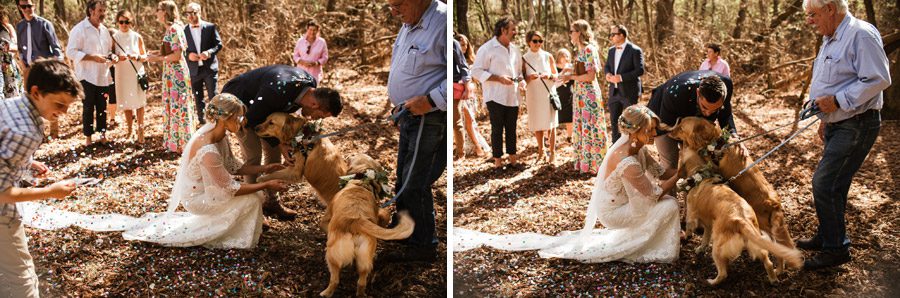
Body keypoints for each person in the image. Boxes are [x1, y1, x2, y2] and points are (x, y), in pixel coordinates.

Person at [18, 94, 290, 250]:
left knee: (253, 197)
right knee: (253, 199)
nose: (242, 121)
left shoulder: (218, 135)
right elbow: (230, 187)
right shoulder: (207, 145)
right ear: (225, 118)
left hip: (212, 189)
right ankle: (224, 236)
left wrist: (265, 168)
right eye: (239, 117)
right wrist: (265, 185)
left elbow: (234, 168)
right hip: (199, 199)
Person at [455, 105, 681, 264]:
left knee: (668, 202)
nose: (654, 133)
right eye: (650, 129)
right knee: (669, 204)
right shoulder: (626, 160)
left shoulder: (638, 148)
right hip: (613, 211)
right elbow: (654, 193)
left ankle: (651, 242)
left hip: (624, 201)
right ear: (637, 132)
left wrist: (688, 166)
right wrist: (681, 175)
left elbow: (661, 173)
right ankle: (654, 251)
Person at [797, 0, 890, 270]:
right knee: (835, 184)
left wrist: (837, 101)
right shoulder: (830, 38)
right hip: (838, 123)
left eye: (813, 14)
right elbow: (833, 78)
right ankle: (829, 235)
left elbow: (878, 79)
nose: (809, 20)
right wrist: (826, 118)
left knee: (824, 183)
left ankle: (836, 249)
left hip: (858, 123)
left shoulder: (861, 34)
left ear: (830, 9)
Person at [0, 59, 81, 298]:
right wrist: (51, 192)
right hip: (3, 217)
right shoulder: (26, 132)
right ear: (36, 92)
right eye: (59, 104)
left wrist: (26, 163)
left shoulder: (10, 105)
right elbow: (2, 193)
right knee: (22, 279)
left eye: (68, 106)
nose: (64, 113)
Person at [221, 64, 343, 221]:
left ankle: (271, 201)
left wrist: (284, 144)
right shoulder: (276, 91)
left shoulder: (310, 85)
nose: (315, 119)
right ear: (314, 104)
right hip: (240, 106)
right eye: (319, 115)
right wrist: (280, 143)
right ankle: (252, 210)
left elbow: (278, 111)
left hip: (263, 107)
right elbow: (253, 118)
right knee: (254, 155)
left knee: (274, 154)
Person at [382, 0, 446, 263]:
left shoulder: (443, 22)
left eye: (397, 5)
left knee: (415, 184)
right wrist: (398, 105)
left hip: (429, 119)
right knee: (402, 179)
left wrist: (430, 101)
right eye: (389, 6)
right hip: (407, 116)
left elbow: (459, 80)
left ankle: (423, 247)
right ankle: (405, 232)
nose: (393, 12)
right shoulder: (408, 21)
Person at [648, 70, 734, 171]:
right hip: (665, 121)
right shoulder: (675, 93)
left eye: (715, 109)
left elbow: (725, 114)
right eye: (705, 107)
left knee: (696, 161)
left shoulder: (726, 84)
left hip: (691, 124)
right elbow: (669, 129)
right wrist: (690, 143)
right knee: (670, 163)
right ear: (698, 93)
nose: (708, 114)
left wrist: (733, 137)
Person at [471, 16, 523, 168]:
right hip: (495, 96)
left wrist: (521, 81)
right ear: (503, 30)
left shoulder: (515, 50)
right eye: (513, 29)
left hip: (513, 96)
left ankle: (513, 160)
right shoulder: (487, 48)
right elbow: (476, 71)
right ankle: (498, 163)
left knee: (512, 129)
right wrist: (498, 78)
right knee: (497, 129)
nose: (516, 32)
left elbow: (519, 72)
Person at [147, 0, 197, 153]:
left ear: (166, 12)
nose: (156, 13)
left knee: (178, 106)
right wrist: (153, 54)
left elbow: (177, 55)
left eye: (158, 9)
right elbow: (168, 51)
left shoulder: (175, 29)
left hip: (177, 74)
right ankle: (175, 143)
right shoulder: (169, 29)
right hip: (170, 73)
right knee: (172, 106)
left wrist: (157, 59)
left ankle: (184, 144)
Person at [560, 19, 609, 174]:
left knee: (591, 127)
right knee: (583, 127)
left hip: (589, 95)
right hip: (580, 95)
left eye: (572, 31)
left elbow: (590, 76)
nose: (570, 34)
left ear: (579, 32)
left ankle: (597, 165)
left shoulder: (589, 50)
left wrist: (571, 78)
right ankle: (585, 164)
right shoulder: (579, 51)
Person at [67, 0, 116, 146]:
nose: (103, 14)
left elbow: (107, 51)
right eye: (100, 10)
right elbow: (70, 52)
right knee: (88, 107)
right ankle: (88, 139)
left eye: (104, 11)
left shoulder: (105, 30)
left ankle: (102, 135)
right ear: (91, 11)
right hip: (86, 76)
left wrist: (111, 56)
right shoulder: (79, 29)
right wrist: (92, 58)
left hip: (103, 76)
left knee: (102, 107)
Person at [16, 0, 64, 138]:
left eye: (29, 6)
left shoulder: (44, 24)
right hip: (28, 70)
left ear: (34, 6)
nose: (27, 9)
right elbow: (20, 48)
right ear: (20, 7)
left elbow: (56, 48)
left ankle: (54, 133)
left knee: (50, 98)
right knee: (33, 101)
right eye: (24, 7)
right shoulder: (20, 26)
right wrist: (23, 65)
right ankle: (39, 133)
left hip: (45, 69)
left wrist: (58, 67)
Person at [522, 30, 559, 164]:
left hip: (548, 91)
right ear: (528, 42)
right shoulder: (524, 58)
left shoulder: (548, 56)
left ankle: (553, 152)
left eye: (540, 41)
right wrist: (529, 77)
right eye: (535, 41)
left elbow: (556, 75)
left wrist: (549, 76)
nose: (538, 44)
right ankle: (541, 151)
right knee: (537, 122)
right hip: (533, 93)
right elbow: (521, 79)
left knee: (551, 123)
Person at [183, 2, 223, 124]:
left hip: (209, 68)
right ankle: (202, 122)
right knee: (198, 97)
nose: (190, 16)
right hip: (194, 70)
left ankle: (217, 122)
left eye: (193, 13)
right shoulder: (183, 30)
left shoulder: (210, 27)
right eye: (188, 13)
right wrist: (188, 55)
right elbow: (181, 49)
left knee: (213, 96)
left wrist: (209, 52)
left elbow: (218, 44)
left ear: (199, 12)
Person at [111, 10, 148, 143]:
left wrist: (137, 56)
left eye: (126, 22)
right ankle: (130, 130)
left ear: (130, 22)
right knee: (126, 102)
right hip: (122, 73)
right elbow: (111, 55)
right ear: (117, 22)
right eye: (121, 22)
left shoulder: (137, 36)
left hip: (136, 72)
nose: (124, 24)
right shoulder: (114, 37)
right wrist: (116, 57)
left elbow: (145, 56)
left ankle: (141, 130)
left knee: (139, 102)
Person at [604, 24, 644, 143]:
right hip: (614, 92)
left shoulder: (635, 50)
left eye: (613, 34)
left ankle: (632, 146)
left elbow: (640, 70)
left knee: (630, 122)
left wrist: (621, 78)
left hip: (629, 91)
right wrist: (607, 74)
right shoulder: (611, 51)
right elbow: (607, 66)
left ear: (622, 35)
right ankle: (615, 147)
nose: (611, 37)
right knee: (614, 122)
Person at [455, 33, 489, 158]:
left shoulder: (471, 60)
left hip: (471, 96)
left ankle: (471, 146)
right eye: (460, 45)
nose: (463, 47)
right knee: (468, 119)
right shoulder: (454, 61)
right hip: (460, 95)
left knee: (471, 122)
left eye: (465, 45)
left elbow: (477, 78)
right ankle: (478, 146)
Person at [452, 38, 469, 159]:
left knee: (456, 121)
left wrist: (467, 88)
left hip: (453, 85)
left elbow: (463, 66)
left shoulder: (453, 43)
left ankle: (460, 154)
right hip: (433, 86)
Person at [1, 11, 24, 98]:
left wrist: (7, 56)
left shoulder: (7, 27)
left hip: (8, 64)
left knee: (13, 95)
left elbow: (16, 46)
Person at [554, 48, 575, 143]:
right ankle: (550, 139)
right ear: (559, 57)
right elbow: (554, 82)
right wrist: (563, 72)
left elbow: (574, 80)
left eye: (567, 56)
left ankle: (570, 137)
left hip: (569, 95)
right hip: (557, 95)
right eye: (564, 56)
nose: (566, 58)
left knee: (569, 117)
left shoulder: (571, 67)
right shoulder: (554, 67)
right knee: (554, 117)